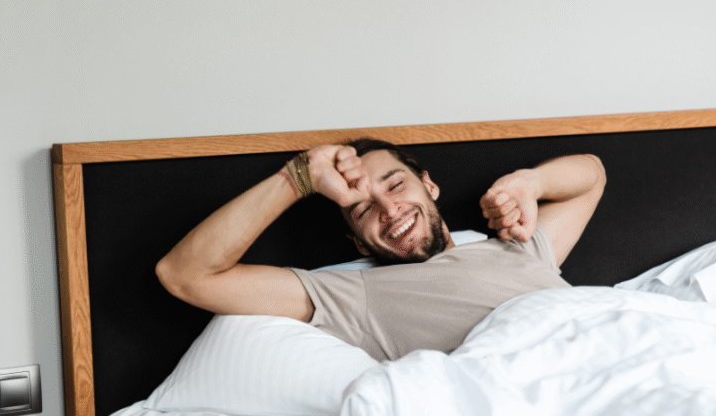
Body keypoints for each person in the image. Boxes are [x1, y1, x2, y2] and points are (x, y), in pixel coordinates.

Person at [156, 139, 606, 361]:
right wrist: (298, 177)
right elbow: (185, 275)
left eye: (395, 185)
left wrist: (531, 182)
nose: (390, 210)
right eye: (363, 209)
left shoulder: (518, 245)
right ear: (357, 241)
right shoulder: (356, 295)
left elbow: (593, 175)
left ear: (429, 185)